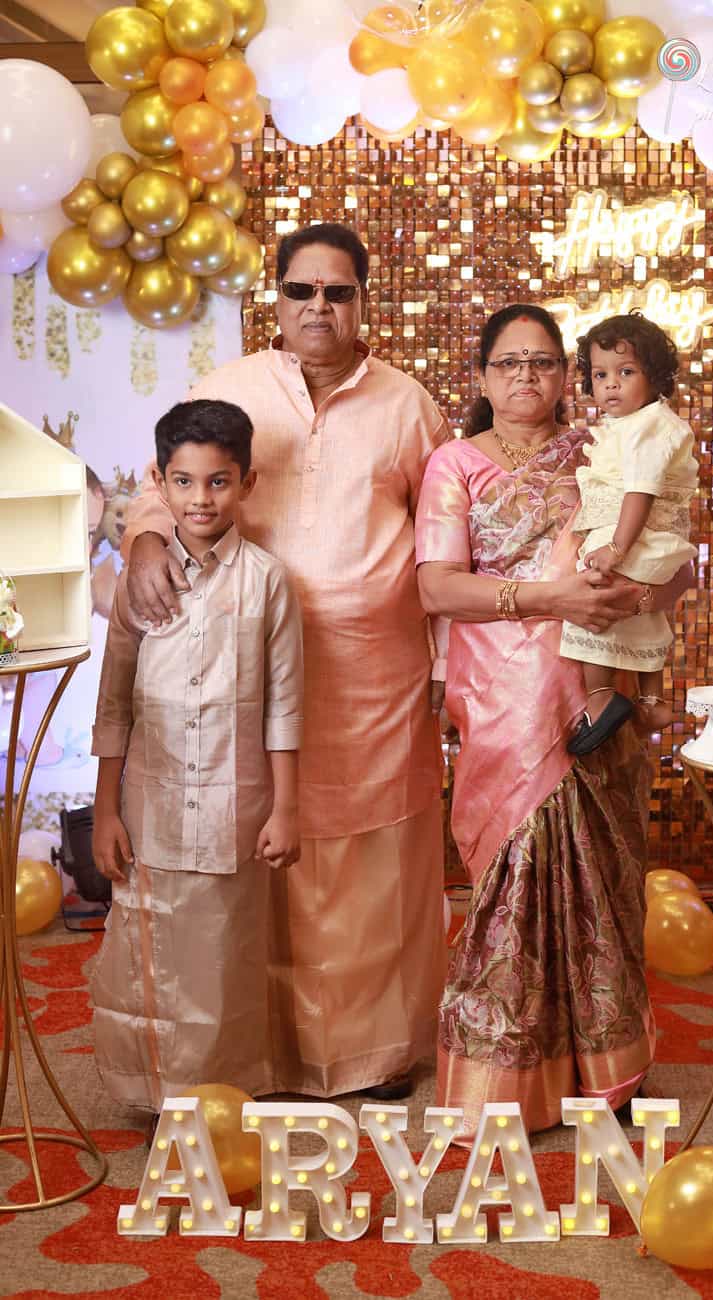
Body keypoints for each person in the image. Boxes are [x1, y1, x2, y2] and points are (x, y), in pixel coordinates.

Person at [120, 223, 449, 1101]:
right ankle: (255, 1054)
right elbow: (161, 486)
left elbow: (446, 540)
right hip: (240, 675)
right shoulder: (229, 388)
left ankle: (372, 1054)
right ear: (276, 299)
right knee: (261, 856)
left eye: (338, 293)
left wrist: (449, 671)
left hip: (375, 677)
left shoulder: (407, 404)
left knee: (369, 861)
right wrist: (146, 544)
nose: (319, 308)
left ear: (363, 302)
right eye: (302, 291)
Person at [415, 304, 691, 1138]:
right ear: (482, 377)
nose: (526, 378)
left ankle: (607, 1066)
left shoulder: (606, 446)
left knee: (601, 872)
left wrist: (642, 595)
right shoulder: (452, 465)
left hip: (596, 680)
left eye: (542, 362)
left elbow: (674, 542)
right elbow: (436, 589)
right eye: (507, 364)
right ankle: (506, 1076)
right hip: (501, 692)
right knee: (516, 872)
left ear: (566, 376)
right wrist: (549, 598)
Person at [90, 399, 304, 1110]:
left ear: (246, 482)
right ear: (160, 480)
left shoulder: (267, 581)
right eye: (183, 482)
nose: (200, 499)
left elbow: (283, 705)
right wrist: (102, 812)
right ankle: (157, 1098)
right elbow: (113, 702)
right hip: (148, 803)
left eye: (218, 481)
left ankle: (219, 1099)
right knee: (148, 957)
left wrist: (285, 808)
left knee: (220, 962)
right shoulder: (139, 582)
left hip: (232, 809)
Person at [560, 313, 699, 755]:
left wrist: (615, 547)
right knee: (643, 614)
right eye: (600, 375)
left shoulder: (648, 427)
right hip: (649, 542)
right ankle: (652, 700)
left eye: (626, 372)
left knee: (594, 604)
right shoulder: (642, 424)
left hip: (636, 538)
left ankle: (600, 699)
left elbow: (641, 489)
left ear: (654, 375)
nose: (611, 385)